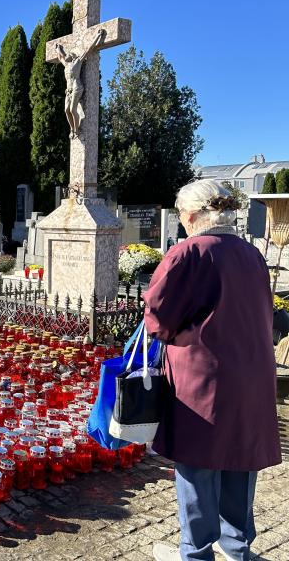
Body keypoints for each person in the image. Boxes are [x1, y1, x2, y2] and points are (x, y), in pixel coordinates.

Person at [145, 179, 281, 561]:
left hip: (204, 377)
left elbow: (158, 319)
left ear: (190, 215)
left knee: (197, 464)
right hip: (252, 372)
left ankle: (197, 552)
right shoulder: (250, 253)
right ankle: (238, 549)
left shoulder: (188, 252)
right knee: (241, 460)